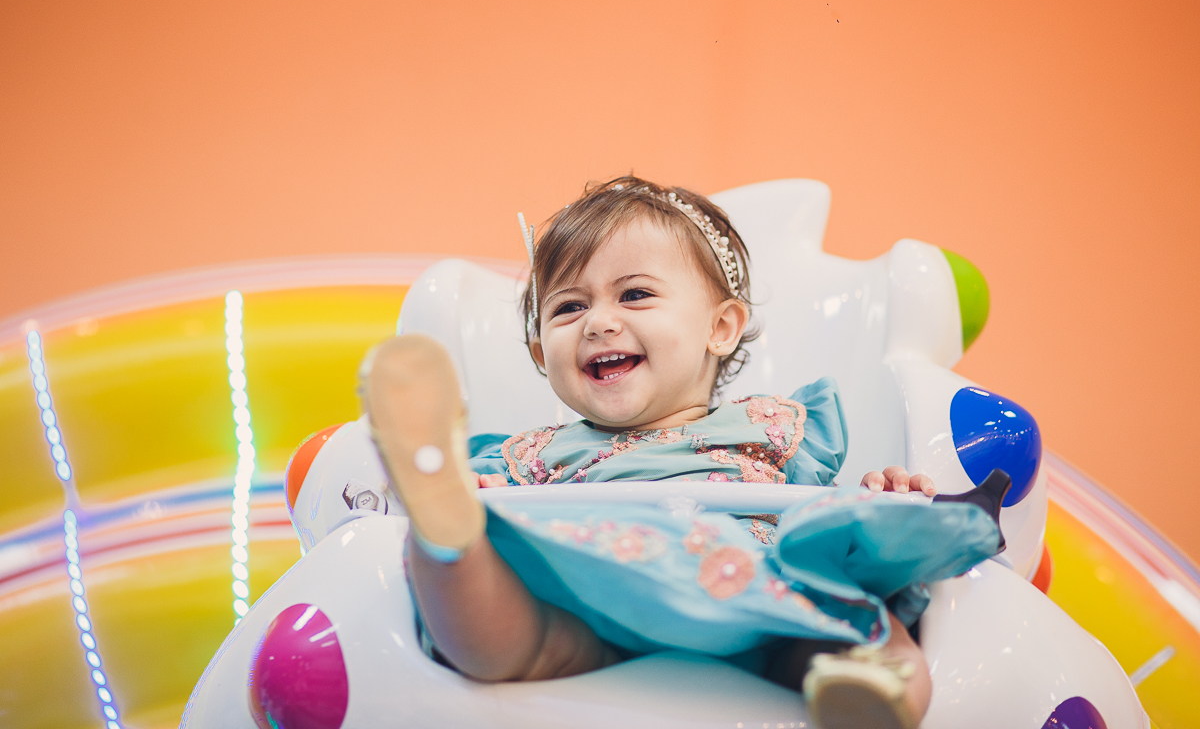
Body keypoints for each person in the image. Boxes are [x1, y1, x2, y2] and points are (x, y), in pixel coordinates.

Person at [360, 176, 1003, 729]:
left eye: (634, 294)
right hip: (587, 590)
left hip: (755, 596)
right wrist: (479, 496)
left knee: (838, 607)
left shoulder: (777, 427)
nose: (598, 322)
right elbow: (505, 500)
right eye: (568, 307)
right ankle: (445, 535)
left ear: (720, 328)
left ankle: (872, 686)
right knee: (508, 635)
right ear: (539, 356)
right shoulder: (530, 457)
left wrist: (881, 496)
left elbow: (824, 507)